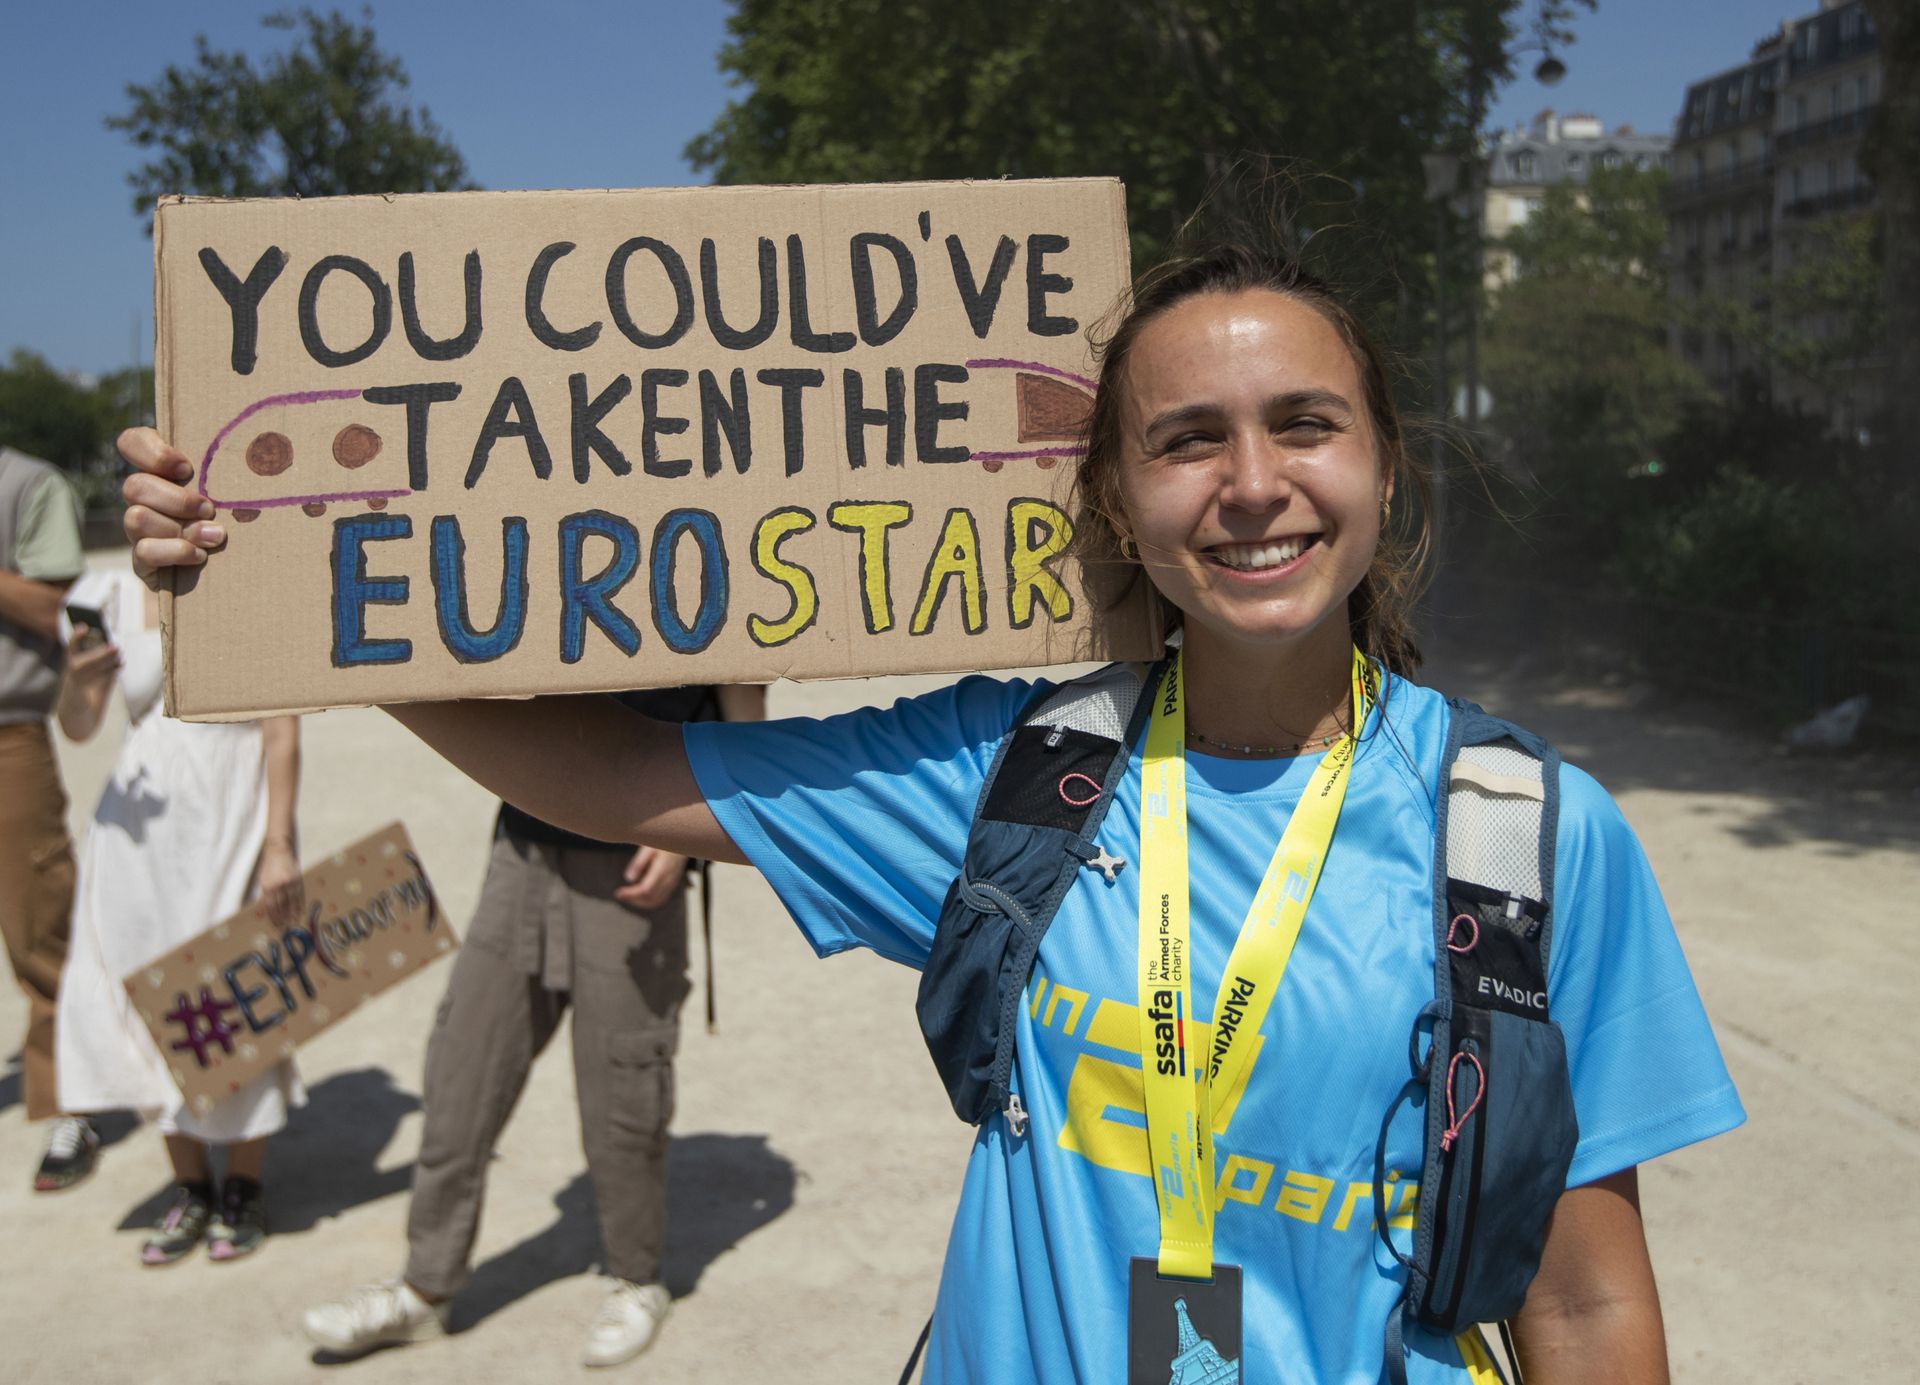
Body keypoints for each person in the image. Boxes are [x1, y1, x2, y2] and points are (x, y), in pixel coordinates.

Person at [120, 238, 1745, 1382]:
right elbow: (623, 776)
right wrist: (291, 587)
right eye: (1187, 443)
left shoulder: (1526, 837)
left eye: (1302, 425)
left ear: (1386, 466)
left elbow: (1590, 1310)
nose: (1251, 484)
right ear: (1117, 497)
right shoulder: (1018, 774)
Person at [299, 682, 763, 1369]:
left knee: (622, 1092)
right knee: (461, 1069)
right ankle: (426, 1287)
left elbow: (743, 697)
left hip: (637, 851)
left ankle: (637, 1280)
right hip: (524, 842)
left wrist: (692, 834)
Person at [52, 561, 305, 1263]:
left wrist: (278, 844)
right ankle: (190, 1187)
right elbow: (77, 727)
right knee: (148, 992)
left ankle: (243, 1186)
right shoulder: (100, 594)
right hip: (137, 828)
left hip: (235, 810)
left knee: (236, 986)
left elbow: (281, 729)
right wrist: (81, 682)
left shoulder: (250, 578)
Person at [0, 444, 98, 1191]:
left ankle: (70, 1102)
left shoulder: (29, 484)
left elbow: (53, 609)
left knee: (39, 926)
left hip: (8, 735)